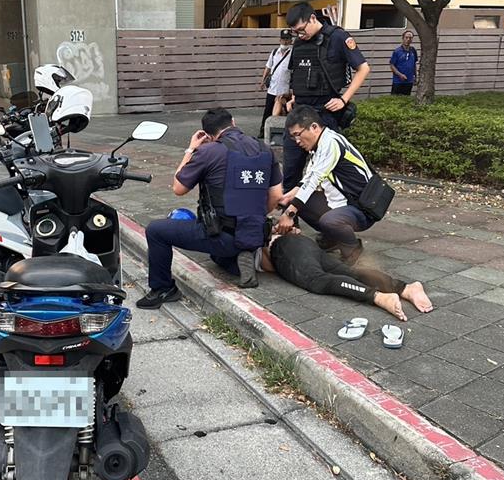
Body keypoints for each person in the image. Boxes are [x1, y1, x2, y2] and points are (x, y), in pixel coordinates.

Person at [137, 108, 283, 309]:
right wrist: (251, 216)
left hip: (221, 235)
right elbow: (276, 195)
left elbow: (178, 188)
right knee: (217, 255)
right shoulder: (264, 148)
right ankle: (241, 255)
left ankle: (163, 289)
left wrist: (191, 150)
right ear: (233, 122)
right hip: (256, 233)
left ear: (207, 134)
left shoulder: (209, 151)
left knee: (156, 230)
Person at [283, 2, 370, 192]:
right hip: (299, 113)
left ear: (312, 18)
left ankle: (336, 207)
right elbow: (297, 73)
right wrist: (293, 97)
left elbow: (363, 68)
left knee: (329, 171)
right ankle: (289, 208)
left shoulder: (338, 37)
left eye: (301, 29)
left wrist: (343, 99)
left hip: (324, 113)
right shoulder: (299, 43)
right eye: (295, 32)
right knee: (290, 170)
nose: (300, 35)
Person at [274, 105, 375, 263]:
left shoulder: (330, 143)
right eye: (293, 137)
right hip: (343, 201)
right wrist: (285, 199)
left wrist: (289, 214)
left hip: (362, 207)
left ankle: (352, 248)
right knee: (296, 201)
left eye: (298, 135)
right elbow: (307, 179)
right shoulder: (320, 144)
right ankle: (333, 238)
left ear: (314, 127)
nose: (297, 141)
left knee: (329, 220)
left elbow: (314, 181)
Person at [261, 231, 433, 321]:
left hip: (283, 248)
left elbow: (267, 265)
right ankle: (405, 288)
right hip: (301, 243)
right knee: (346, 271)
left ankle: (378, 297)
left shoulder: (256, 239)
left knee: (317, 280)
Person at [258, 29, 293, 139]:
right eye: (283, 39)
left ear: (291, 41)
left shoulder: (293, 54)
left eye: (287, 39)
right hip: (272, 88)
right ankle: (263, 131)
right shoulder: (274, 53)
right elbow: (268, 67)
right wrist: (263, 80)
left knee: (285, 112)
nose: (285, 42)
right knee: (267, 111)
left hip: (285, 90)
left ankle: (284, 133)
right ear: (280, 40)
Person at [389, 30, 419, 95]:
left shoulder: (413, 50)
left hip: (409, 81)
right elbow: (392, 65)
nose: (408, 39)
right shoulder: (397, 51)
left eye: (410, 38)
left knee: (406, 98)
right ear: (403, 38)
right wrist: (400, 75)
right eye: (406, 37)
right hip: (398, 81)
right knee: (395, 99)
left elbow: (414, 64)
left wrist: (415, 76)